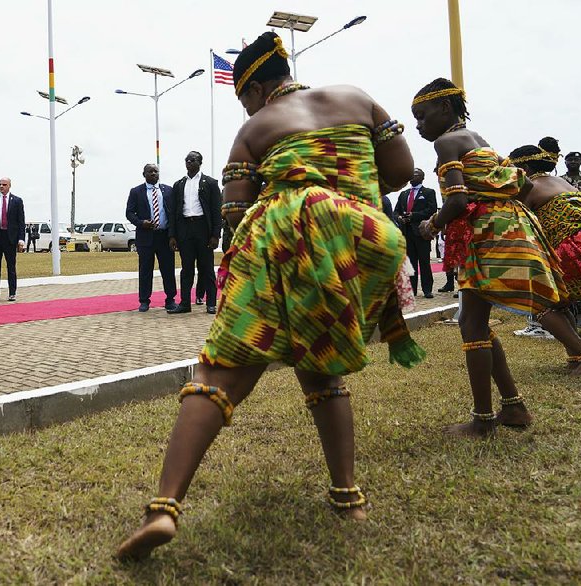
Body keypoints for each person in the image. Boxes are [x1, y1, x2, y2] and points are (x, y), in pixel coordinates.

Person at [117, 32, 424, 561]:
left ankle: (163, 508)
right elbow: (399, 170)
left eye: (243, 97)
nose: (245, 107)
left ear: (257, 89)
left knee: (218, 373)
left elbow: (236, 218)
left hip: (279, 243)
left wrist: (254, 268)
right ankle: (349, 499)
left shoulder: (254, 128)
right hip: (357, 242)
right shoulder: (357, 97)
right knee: (323, 370)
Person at [411, 78, 581, 439]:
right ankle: (513, 408)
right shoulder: (480, 141)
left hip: (487, 236)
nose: (419, 125)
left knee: (471, 323)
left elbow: (455, 202)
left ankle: (483, 420)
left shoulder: (446, 142)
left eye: (422, 116)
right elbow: (525, 187)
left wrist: (430, 225)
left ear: (445, 108)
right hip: (509, 228)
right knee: (474, 320)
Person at [509, 137, 581, 337]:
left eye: (513, 168)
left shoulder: (528, 188)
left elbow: (522, 230)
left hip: (578, 243)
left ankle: (543, 328)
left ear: (524, 167)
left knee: (543, 284)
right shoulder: (561, 181)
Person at [167, 151, 222, 315]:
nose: (189, 162)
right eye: (186, 160)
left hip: (203, 229)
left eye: (192, 160)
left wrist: (215, 235)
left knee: (206, 268)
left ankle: (211, 303)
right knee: (186, 269)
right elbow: (174, 212)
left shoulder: (210, 183)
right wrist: (172, 235)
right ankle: (185, 303)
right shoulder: (179, 184)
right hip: (185, 229)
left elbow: (216, 211)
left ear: (200, 162)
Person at [125, 164, 178, 312]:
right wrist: (141, 223)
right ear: (144, 174)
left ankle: (170, 299)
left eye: (156, 171)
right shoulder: (136, 192)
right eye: (150, 171)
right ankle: (144, 301)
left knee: (168, 269)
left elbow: (173, 214)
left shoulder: (168, 191)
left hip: (164, 236)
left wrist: (173, 235)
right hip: (145, 237)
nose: (154, 173)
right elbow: (129, 213)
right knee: (145, 270)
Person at [393, 168, 438, 298]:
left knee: (424, 262)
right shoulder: (403, 194)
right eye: (411, 174)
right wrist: (399, 218)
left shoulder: (429, 192)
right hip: (406, 233)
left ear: (422, 177)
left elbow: (431, 210)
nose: (412, 176)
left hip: (421, 233)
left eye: (416, 174)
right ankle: (411, 290)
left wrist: (414, 215)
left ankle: (427, 290)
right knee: (410, 264)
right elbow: (396, 212)